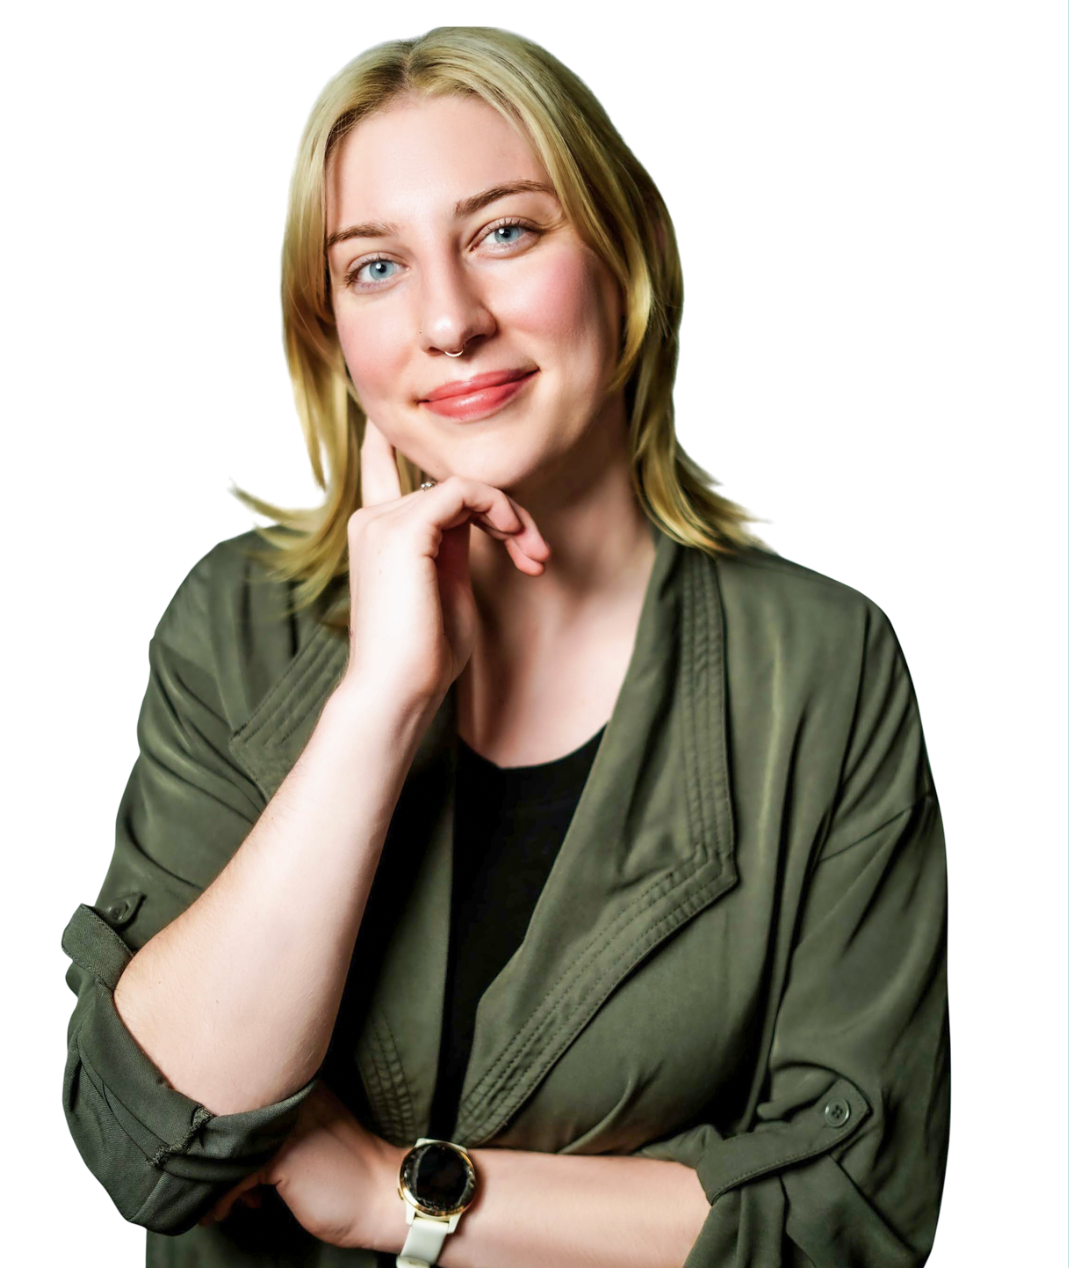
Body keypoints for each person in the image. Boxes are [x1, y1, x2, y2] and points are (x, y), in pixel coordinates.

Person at [60, 24, 950, 1268]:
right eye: (373, 266)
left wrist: (394, 1196)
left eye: (505, 233)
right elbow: (151, 1139)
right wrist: (379, 698)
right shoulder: (236, 627)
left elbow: (848, 1215)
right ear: (331, 336)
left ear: (624, 259)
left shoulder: (821, 668)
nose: (447, 318)